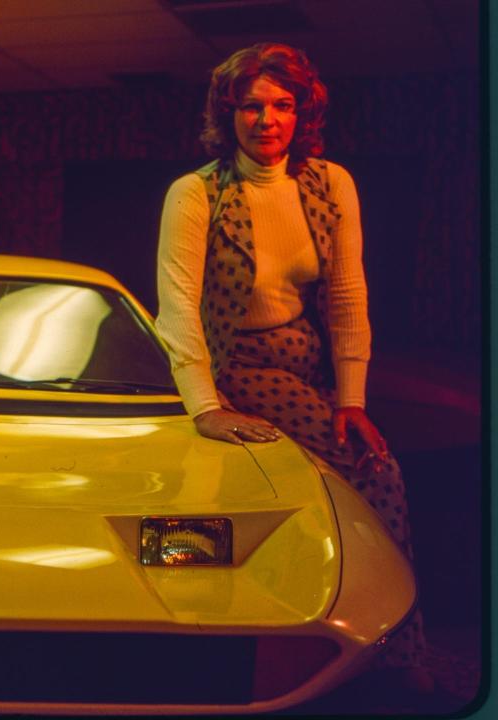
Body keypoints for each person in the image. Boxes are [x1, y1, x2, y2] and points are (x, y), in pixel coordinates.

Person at [155, 43, 431, 691]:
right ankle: (202, 652)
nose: (267, 119)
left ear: (302, 112)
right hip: (236, 366)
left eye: (283, 104)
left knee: (350, 478)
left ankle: (386, 647)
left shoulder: (330, 182)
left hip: (306, 360)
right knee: (370, 474)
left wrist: (351, 398)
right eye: (251, 106)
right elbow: (176, 310)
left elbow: (346, 295)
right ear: (229, 115)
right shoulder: (196, 192)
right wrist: (207, 406)